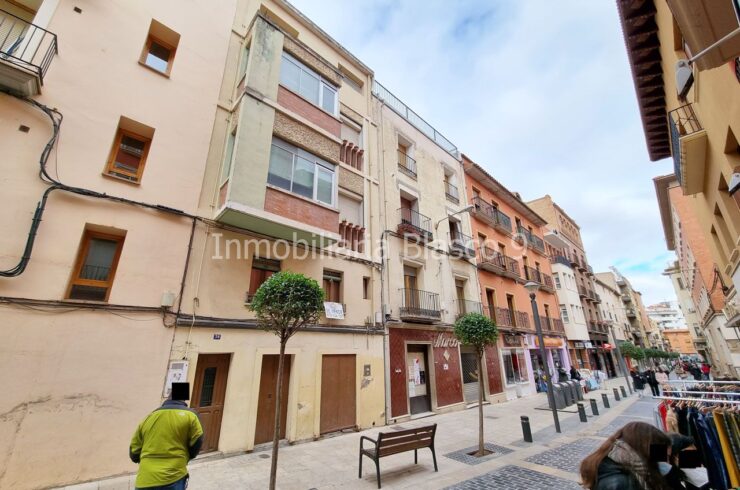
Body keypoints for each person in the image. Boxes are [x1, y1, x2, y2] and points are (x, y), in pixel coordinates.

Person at [130, 382, 204, 490]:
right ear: (184, 399)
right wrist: (187, 457)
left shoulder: (149, 417)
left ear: (169, 397)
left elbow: (134, 451)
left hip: (145, 479)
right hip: (174, 476)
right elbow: (197, 440)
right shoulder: (191, 416)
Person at [580, 421, 672, 490]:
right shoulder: (621, 483)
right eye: (661, 451)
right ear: (645, 448)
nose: (665, 459)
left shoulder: (613, 463)